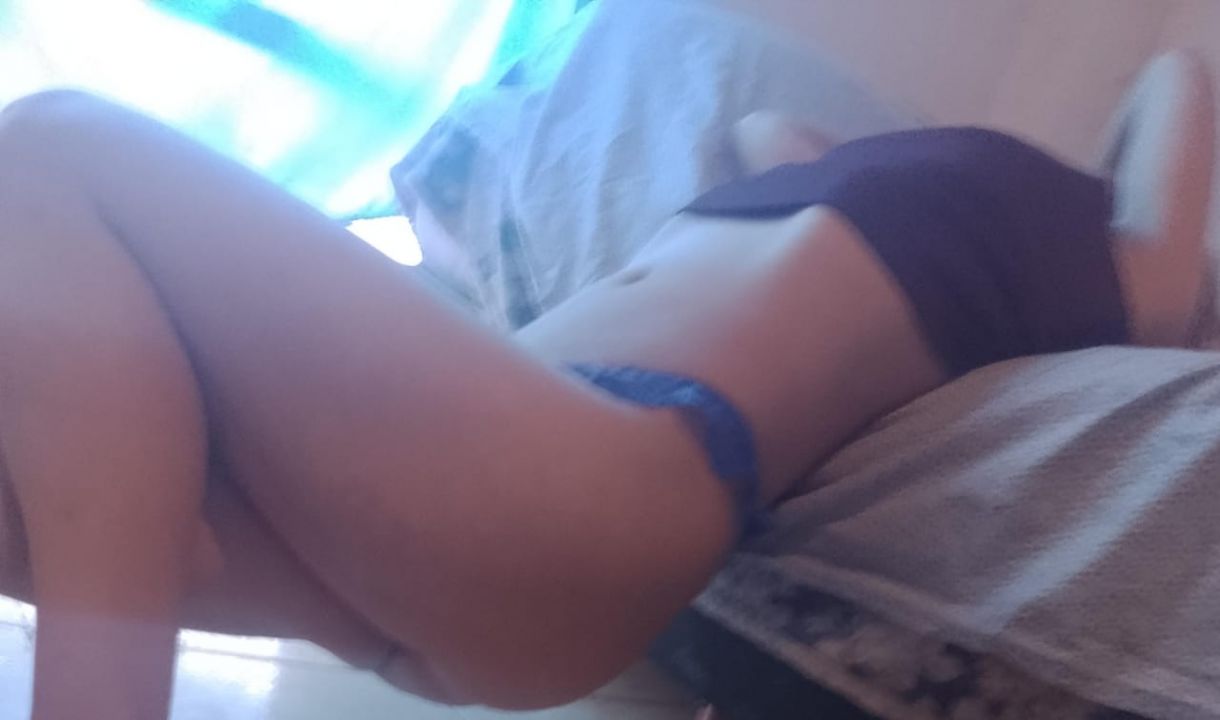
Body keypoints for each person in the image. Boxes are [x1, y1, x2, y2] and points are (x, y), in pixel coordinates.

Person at [0, 50, 1210, 720]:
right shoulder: (846, 172)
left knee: (52, 139)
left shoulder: (1100, 263)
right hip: (454, 547)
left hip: (594, 479)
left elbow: (1177, 81)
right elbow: (769, 130)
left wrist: (1116, 108)